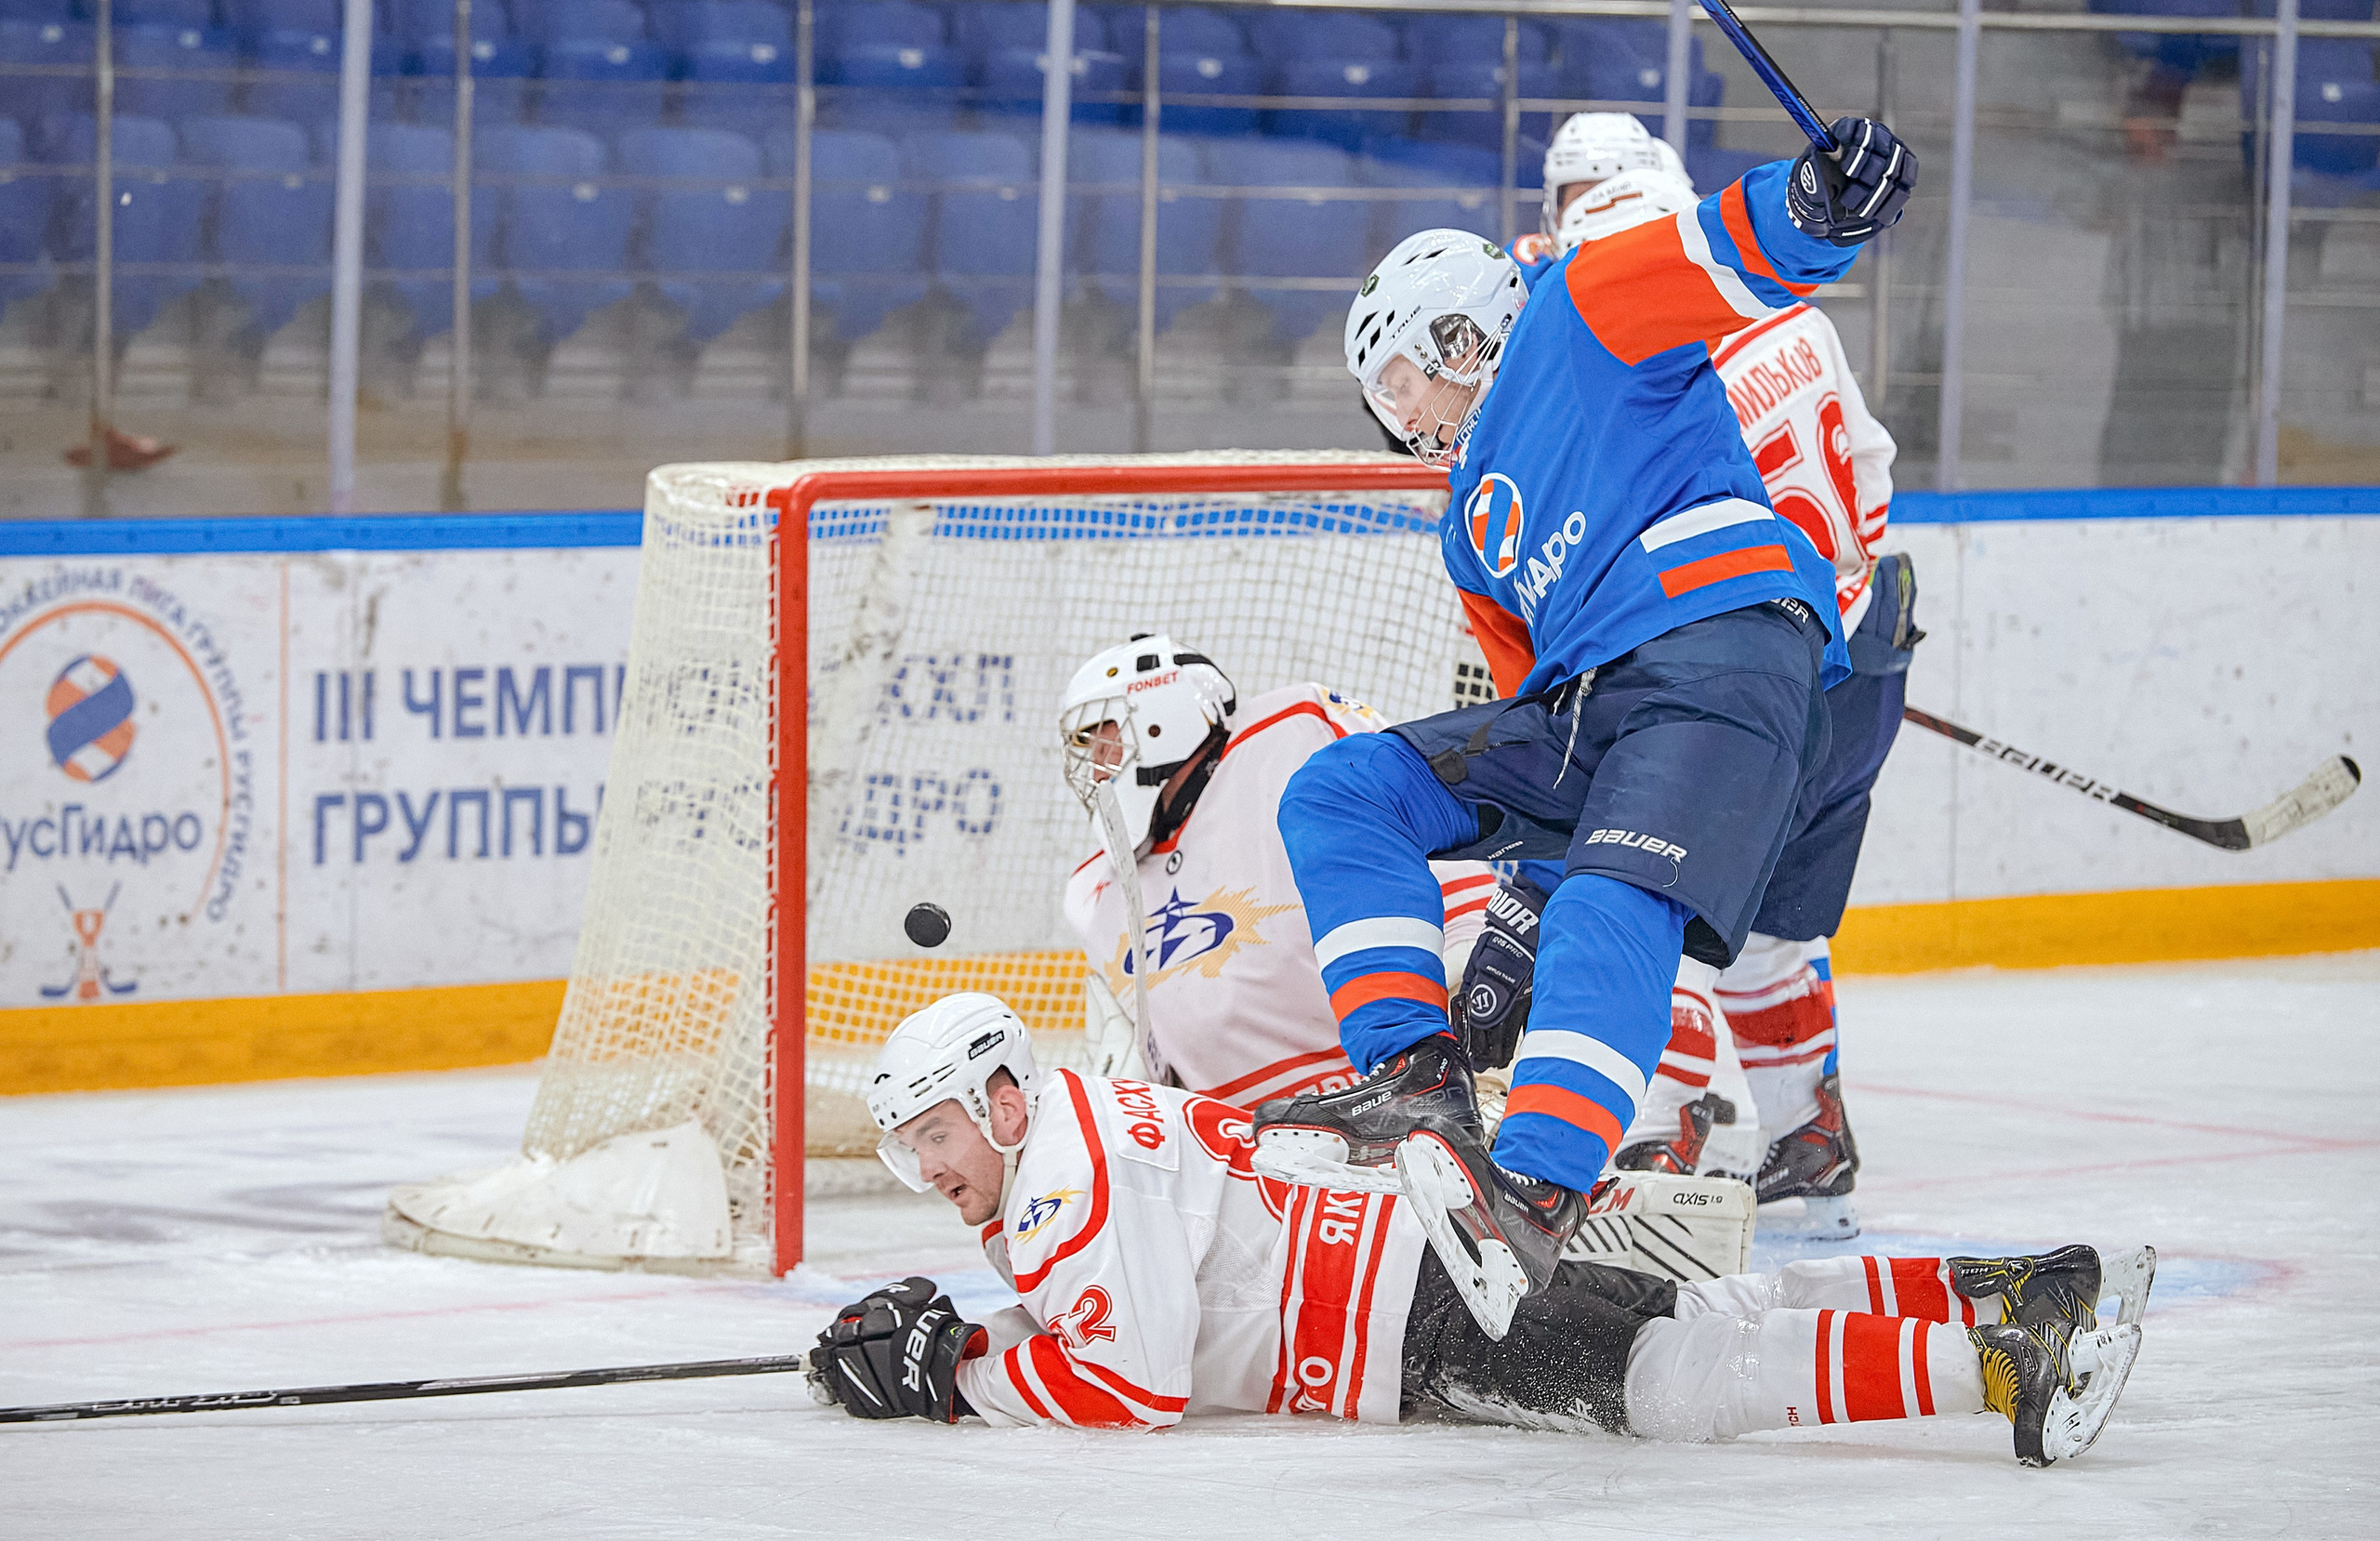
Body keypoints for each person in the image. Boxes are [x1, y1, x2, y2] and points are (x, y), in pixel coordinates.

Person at [1245, 113, 1920, 1335]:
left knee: (1618, 896)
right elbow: (1530, 723)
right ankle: (1415, 1077)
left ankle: (1539, 1187)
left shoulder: (1573, 308)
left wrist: (1820, 199)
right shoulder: (1468, 527)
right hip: (1594, 707)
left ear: (1458, 334)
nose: (1400, 422)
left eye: (1399, 383)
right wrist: (1515, 904)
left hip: (1719, 645)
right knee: (1340, 789)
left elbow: (1738, 251)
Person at [805, 994, 2149, 1470]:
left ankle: (2008, 1364)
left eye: (934, 1134)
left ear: (995, 1096)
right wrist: (990, 1330)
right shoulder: (1079, 1115)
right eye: (907, 1144)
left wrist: (960, 1377)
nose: (925, 1167)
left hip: (1406, 1323)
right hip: (1438, 1238)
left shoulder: (1057, 1185)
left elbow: (1136, 1381)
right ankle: (2013, 1287)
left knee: (1683, 1383)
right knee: (1715, 1313)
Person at [1456, 134, 1922, 1237]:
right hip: (1857, 648)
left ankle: (1667, 1135)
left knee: (1641, 882)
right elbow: (1872, 473)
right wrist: (1838, 619)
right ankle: (1808, 1127)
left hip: (1730, 675)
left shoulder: (1642, 360)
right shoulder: (1799, 325)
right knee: (1772, 927)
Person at [1055, 634, 1496, 1107]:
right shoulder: (1094, 895)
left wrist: (1476, 961)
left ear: (1161, 720)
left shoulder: (1291, 735)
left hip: (1404, 1086)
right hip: (1255, 1150)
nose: (1096, 770)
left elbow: (1422, 834)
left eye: (1104, 741)